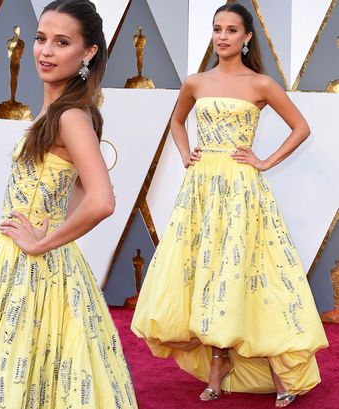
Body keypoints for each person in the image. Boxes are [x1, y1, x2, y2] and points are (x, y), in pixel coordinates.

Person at [0, 1, 136, 407]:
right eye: (41, 39)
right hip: (17, 259)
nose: (45, 51)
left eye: (62, 42)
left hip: (33, 261)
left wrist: (42, 241)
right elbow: (72, 190)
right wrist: (50, 225)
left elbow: (102, 200)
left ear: (88, 52)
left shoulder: (70, 117)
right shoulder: (57, 112)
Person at [131, 3, 327, 408]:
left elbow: (302, 127)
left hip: (242, 188)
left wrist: (264, 161)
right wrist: (186, 155)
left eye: (231, 30)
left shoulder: (262, 84)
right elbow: (178, 122)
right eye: (217, 28)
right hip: (201, 189)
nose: (222, 36)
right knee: (208, 270)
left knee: (253, 272)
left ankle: (278, 367)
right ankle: (218, 363)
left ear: (247, 37)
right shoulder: (195, 82)